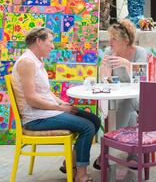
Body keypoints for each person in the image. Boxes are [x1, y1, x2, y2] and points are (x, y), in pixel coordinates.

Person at [11, 27, 100, 182]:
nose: (52, 46)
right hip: (36, 118)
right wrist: (59, 108)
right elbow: (31, 99)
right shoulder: (27, 63)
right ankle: (81, 174)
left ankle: (70, 162)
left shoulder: (37, 60)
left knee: (94, 120)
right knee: (87, 127)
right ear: (39, 41)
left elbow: (44, 91)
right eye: (50, 42)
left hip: (47, 112)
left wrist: (61, 102)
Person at [99, 18, 147, 168]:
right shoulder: (109, 51)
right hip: (116, 98)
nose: (110, 42)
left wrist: (127, 65)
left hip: (138, 98)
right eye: (110, 38)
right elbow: (105, 80)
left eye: (114, 39)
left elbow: (142, 81)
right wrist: (103, 69)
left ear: (125, 40)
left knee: (128, 101)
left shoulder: (139, 52)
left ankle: (107, 148)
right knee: (130, 113)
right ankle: (133, 153)